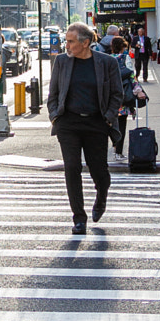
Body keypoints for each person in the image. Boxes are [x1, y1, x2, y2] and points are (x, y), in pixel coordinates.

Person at [47, 20, 121, 232]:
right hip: (68, 123)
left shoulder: (107, 63)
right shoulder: (61, 62)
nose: (67, 46)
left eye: (70, 42)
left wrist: (107, 117)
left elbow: (117, 94)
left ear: (86, 42)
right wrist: (55, 117)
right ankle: (79, 217)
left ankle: (101, 197)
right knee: (72, 168)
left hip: (96, 122)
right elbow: (53, 95)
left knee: (98, 170)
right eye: (66, 41)